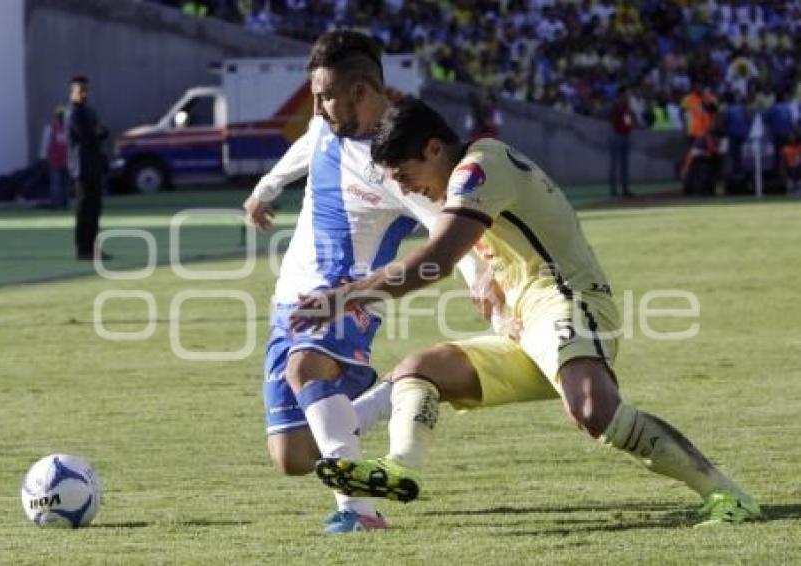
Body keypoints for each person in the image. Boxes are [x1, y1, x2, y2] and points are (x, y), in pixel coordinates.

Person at [292, 97, 762, 527]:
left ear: (434, 149)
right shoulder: (469, 179)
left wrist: (347, 295)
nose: (404, 186)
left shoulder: (480, 168)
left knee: (594, 411)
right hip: (528, 324)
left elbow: (435, 260)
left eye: (403, 173)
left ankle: (728, 495)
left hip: (569, 302)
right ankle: (402, 467)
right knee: (422, 369)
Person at [242, 31, 487, 534]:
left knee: (306, 365)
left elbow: (450, 224)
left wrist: (483, 277)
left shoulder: (397, 162)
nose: (316, 105)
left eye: (325, 95)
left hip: (343, 302)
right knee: (291, 454)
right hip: (288, 300)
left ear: (361, 92)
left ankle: (360, 512)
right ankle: (396, 391)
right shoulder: (326, 128)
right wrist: (263, 191)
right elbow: (304, 149)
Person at [65, 76, 110, 261]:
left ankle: (93, 247)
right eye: (80, 90)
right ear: (72, 92)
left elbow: (103, 131)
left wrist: (97, 132)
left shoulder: (88, 111)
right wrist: (96, 132)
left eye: (85, 90)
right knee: (84, 210)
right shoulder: (74, 113)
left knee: (94, 209)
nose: (84, 94)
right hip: (82, 167)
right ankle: (83, 248)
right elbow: (89, 136)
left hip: (94, 165)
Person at [39, 106, 70, 209]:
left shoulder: (69, 129)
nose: (62, 118)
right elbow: (45, 144)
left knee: (66, 183)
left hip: (67, 161)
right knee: (55, 183)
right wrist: (43, 158)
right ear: (56, 116)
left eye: (63, 116)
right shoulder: (50, 128)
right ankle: (55, 203)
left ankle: (65, 202)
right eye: (60, 116)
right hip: (55, 161)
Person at [608, 88, 635, 197]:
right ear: (621, 95)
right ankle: (614, 189)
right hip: (617, 135)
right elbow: (614, 120)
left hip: (625, 135)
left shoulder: (626, 108)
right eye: (625, 95)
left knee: (624, 164)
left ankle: (625, 188)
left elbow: (627, 121)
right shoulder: (616, 106)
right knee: (615, 164)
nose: (627, 98)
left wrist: (629, 129)